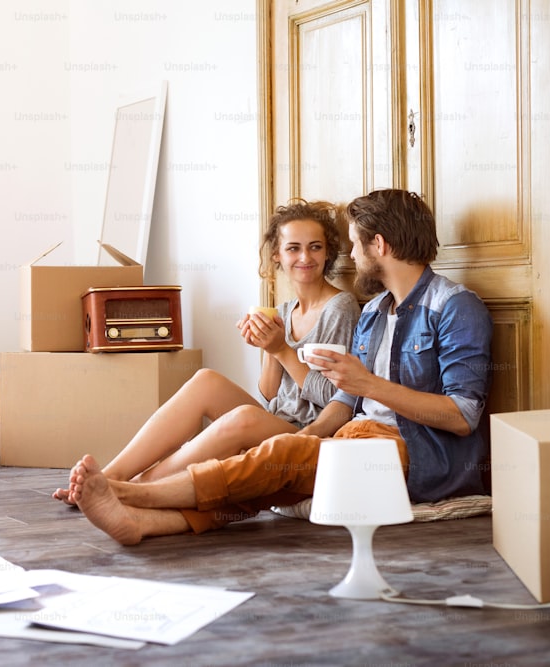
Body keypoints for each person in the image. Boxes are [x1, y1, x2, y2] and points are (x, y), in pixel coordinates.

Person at [67, 189, 493, 545]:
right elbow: (344, 401)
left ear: (378, 245)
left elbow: (462, 417)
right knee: (269, 476)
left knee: (274, 457)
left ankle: (128, 494)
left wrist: (366, 387)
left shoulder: (455, 307)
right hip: (353, 435)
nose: (351, 255)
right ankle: (140, 522)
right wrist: (308, 437)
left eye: (353, 244)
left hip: (413, 453)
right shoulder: (376, 311)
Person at [52, 199, 360, 503]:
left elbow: (336, 398)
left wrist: (281, 350)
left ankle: (129, 491)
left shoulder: (340, 307)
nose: (305, 256)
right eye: (293, 248)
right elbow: (268, 395)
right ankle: (112, 476)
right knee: (206, 380)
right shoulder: (283, 310)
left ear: (328, 252)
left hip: (312, 430)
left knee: (242, 418)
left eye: (315, 246)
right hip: (280, 420)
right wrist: (267, 349)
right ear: (277, 255)